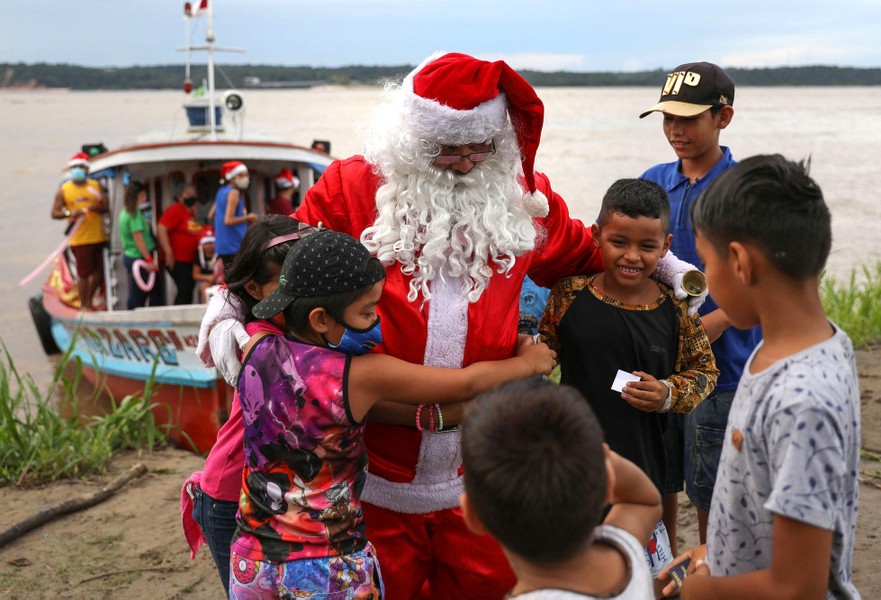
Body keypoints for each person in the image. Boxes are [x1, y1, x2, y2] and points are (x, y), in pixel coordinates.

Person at [203, 52, 705, 599]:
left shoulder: (523, 197)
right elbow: (281, 263)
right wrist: (230, 305)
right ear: (412, 140)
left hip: (476, 472)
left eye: (479, 148)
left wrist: (670, 268)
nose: (466, 165)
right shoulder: (353, 185)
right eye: (447, 150)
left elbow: (588, 250)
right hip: (373, 476)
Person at [230, 229, 556, 598]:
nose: (374, 323)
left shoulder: (257, 346)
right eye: (366, 312)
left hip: (252, 557)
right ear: (320, 319)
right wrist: (529, 363)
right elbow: (465, 383)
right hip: (326, 563)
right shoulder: (361, 375)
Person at [658, 155, 861, 599]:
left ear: (740, 262)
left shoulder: (802, 402)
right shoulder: (799, 344)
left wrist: (702, 592)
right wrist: (713, 553)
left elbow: (799, 588)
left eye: (705, 264)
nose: (705, 279)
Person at [538, 178, 718, 578]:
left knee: (639, 577)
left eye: (647, 246)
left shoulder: (676, 309)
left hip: (642, 474)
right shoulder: (568, 295)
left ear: (666, 246)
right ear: (596, 236)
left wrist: (668, 393)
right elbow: (540, 357)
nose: (632, 256)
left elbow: (705, 372)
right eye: (619, 242)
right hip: (574, 464)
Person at [638, 62, 761, 553]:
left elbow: (761, 279)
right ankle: (664, 570)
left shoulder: (744, 189)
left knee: (713, 489)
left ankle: (714, 573)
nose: (675, 129)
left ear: (722, 117)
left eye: (688, 119)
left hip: (724, 370)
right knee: (658, 478)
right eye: (667, 118)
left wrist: (709, 326)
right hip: (657, 363)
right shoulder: (652, 183)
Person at [187, 216, 311, 593]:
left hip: (267, 490)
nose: (302, 293)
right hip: (230, 495)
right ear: (255, 288)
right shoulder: (259, 340)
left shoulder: (291, 328)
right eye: (288, 285)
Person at [460, 379, 662, 599]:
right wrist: (600, 460)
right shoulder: (624, 553)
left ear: (473, 515)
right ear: (608, 482)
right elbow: (643, 501)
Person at [50, 151, 109, 310]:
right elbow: (54, 213)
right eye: (75, 167)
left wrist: (96, 208)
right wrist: (69, 213)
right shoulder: (64, 190)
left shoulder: (95, 186)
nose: (78, 170)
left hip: (98, 236)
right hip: (79, 239)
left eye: (81, 167)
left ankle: (89, 299)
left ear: (87, 169)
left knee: (99, 271)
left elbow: (105, 207)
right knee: (83, 273)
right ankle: (84, 305)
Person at [119, 181, 163, 309]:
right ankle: (135, 315)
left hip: (132, 255)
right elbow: (139, 239)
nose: (145, 198)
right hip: (138, 256)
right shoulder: (135, 214)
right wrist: (149, 260)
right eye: (143, 195)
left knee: (151, 289)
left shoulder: (124, 212)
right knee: (139, 293)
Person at [158, 181, 203, 304]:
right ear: (179, 196)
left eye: (193, 194)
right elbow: (161, 228)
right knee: (185, 287)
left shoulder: (191, 213)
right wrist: (168, 252)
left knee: (189, 288)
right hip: (177, 259)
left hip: (189, 260)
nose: (191, 197)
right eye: (188, 194)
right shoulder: (175, 210)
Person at [213, 160, 258, 268]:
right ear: (232, 177)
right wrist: (248, 217)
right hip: (234, 245)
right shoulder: (234, 193)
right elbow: (228, 220)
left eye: (246, 175)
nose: (245, 178)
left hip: (223, 245)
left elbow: (211, 214)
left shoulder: (221, 191)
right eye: (241, 175)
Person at [192, 227, 219, 302]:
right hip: (204, 280)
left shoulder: (219, 255)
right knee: (204, 286)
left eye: (211, 243)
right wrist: (208, 278)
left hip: (219, 279)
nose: (209, 246)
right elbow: (195, 275)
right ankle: (205, 306)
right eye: (206, 243)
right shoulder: (199, 257)